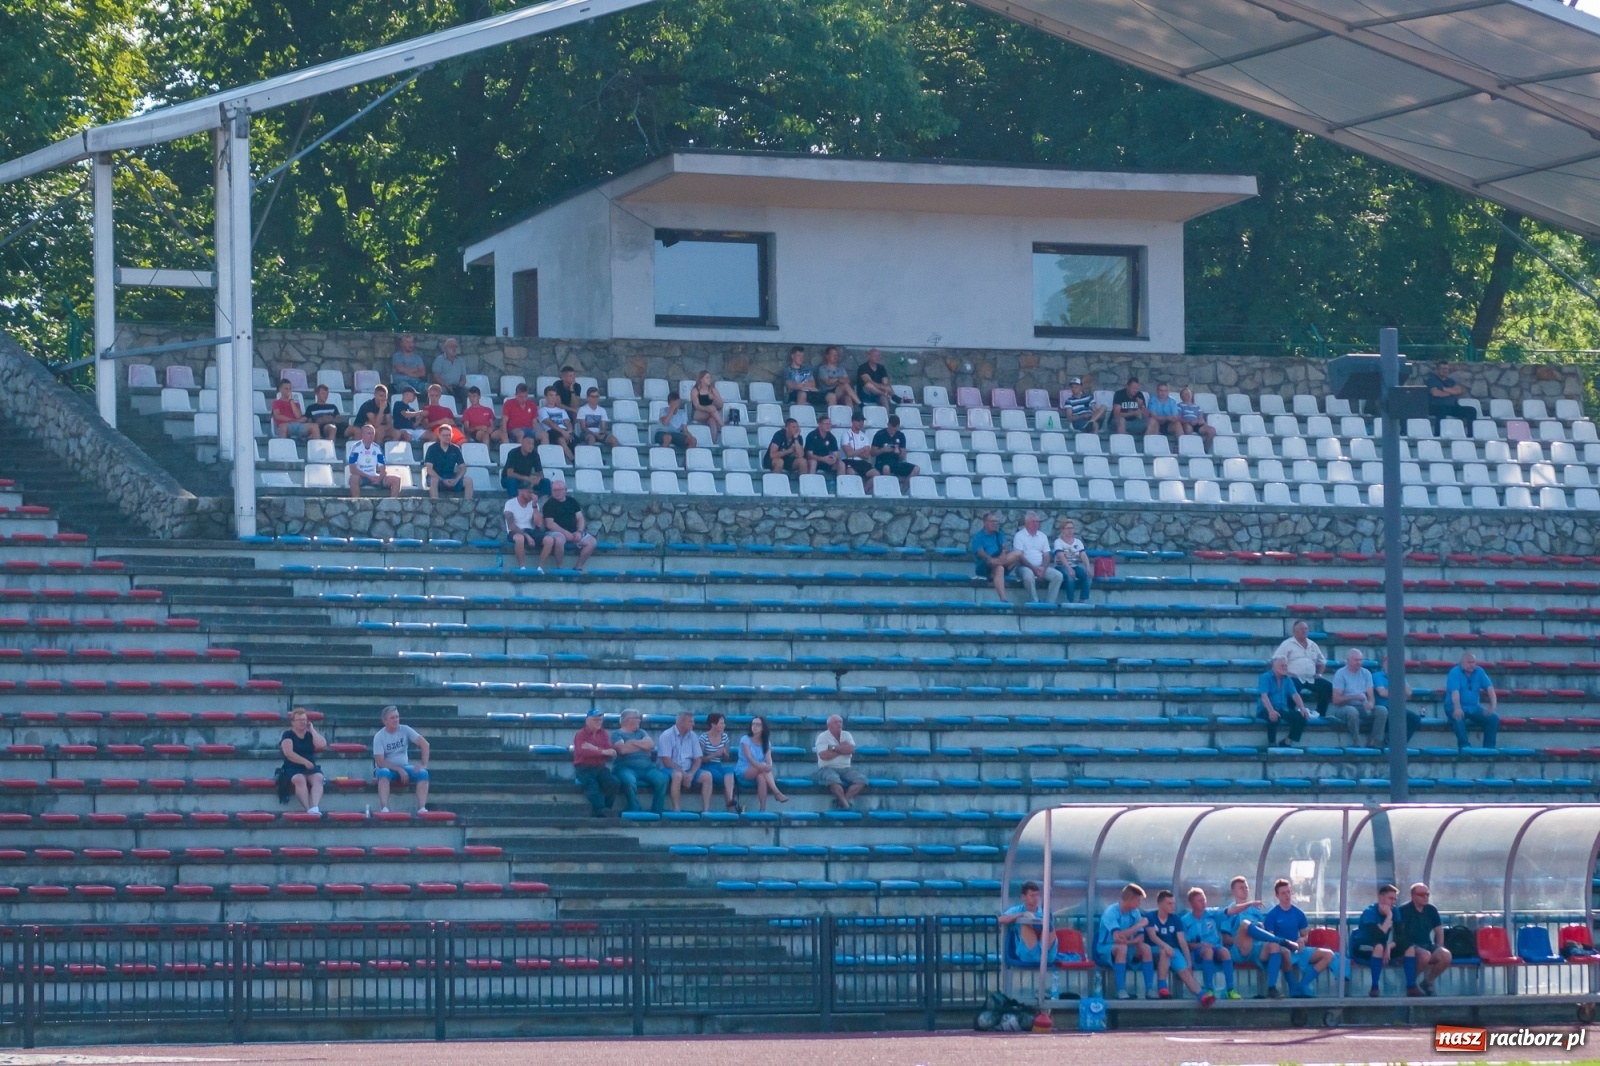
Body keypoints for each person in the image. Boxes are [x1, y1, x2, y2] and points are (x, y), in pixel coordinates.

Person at [1260, 877, 1335, 999]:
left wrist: (1302, 940)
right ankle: (1292, 988)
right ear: (1277, 896)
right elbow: (1270, 937)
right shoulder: (1272, 915)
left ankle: (1303, 984)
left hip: (1297, 948)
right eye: (1283, 893)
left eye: (1288, 892)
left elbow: (1305, 935)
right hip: (1282, 949)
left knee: (1329, 954)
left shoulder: (1298, 913)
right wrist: (1286, 945)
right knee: (1285, 953)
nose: (1287, 895)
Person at [1145, 889, 1215, 1005]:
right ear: (1160, 904)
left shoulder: (1175, 919)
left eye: (1173, 903)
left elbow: (1182, 941)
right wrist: (1166, 946)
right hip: (1155, 949)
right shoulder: (1150, 917)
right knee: (1164, 952)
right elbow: (1153, 937)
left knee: (1185, 971)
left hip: (1173, 950)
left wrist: (1188, 961)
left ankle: (1202, 996)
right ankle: (1162, 987)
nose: (1172, 906)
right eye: (1169, 903)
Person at [1216, 875, 1280, 998]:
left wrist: (1260, 928)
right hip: (1239, 950)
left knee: (1274, 946)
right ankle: (1280, 940)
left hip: (1256, 948)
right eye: (1241, 888)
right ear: (1233, 891)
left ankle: (1272, 988)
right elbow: (1226, 939)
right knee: (1245, 925)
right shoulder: (1229, 911)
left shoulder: (1255, 911)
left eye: (1246, 887)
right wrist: (1243, 937)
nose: (1245, 889)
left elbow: (1264, 931)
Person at [1095, 882, 1154, 1000]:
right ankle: (1120, 990)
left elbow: (1140, 938)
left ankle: (1149, 989)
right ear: (1130, 900)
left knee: (1145, 948)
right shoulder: (1111, 912)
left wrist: (1128, 942)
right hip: (1106, 947)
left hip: (1127, 945)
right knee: (1121, 948)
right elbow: (1118, 936)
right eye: (1138, 900)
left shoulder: (1135, 913)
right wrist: (1137, 926)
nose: (1139, 904)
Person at [1182, 887, 1240, 1000]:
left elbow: (1231, 910)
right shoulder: (1185, 920)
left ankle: (1230, 990)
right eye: (1199, 901)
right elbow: (1185, 944)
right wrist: (1201, 945)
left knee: (1225, 952)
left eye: (1204, 899)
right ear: (1191, 903)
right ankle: (1209, 989)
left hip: (1216, 947)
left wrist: (1250, 904)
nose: (1203, 903)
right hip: (1198, 952)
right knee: (1208, 952)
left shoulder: (1212, 914)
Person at [1396, 882, 1452, 995]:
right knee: (1425, 956)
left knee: (1446, 955)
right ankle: (1410, 984)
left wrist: (1439, 946)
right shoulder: (1404, 910)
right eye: (1421, 894)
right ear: (1413, 896)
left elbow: (1439, 931)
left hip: (1427, 944)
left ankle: (1427, 982)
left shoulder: (1431, 909)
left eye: (1427, 894)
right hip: (1409, 946)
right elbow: (1399, 934)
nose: (1425, 897)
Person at [372, 704, 430, 813]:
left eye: (397, 717)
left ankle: (422, 808)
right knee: (384, 773)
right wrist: (398, 769)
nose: (396, 720)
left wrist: (423, 764)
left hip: (405, 766)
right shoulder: (379, 736)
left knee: (423, 773)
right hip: (387, 768)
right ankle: (384, 807)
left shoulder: (405, 729)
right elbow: (380, 762)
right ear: (385, 721)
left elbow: (425, 744)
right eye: (392, 718)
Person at [609, 708, 668, 814]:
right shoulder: (616, 734)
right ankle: (634, 808)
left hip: (647, 768)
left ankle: (657, 811)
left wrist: (631, 742)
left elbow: (650, 745)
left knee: (662, 779)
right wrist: (642, 746)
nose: (639, 721)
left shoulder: (641, 732)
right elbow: (622, 750)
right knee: (629, 781)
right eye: (637, 718)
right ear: (627, 720)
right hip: (625, 767)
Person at [1274, 620, 1331, 717]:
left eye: (1306, 629)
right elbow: (1276, 661)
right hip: (1294, 677)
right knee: (1292, 685)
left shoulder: (1313, 645)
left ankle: (1320, 713)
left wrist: (1319, 674)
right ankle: (1290, 713)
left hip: (1311, 678)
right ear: (1294, 632)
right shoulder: (1287, 644)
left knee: (1327, 686)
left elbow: (1322, 661)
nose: (1304, 631)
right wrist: (1286, 673)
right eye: (1301, 629)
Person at [1330, 647, 1385, 746]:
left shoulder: (1366, 673)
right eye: (1356, 660)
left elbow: (1370, 695)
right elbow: (1336, 700)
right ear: (1348, 661)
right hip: (1343, 707)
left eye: (1360, 660)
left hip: (1362, 706)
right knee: (1352, 711)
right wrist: (1354, 697)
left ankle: (1374, 741)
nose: (1359, 662)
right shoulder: (1340, 674)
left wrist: (1371, 703)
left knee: (1382, 710)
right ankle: (1356, 741)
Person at [277, 707, 326, 814]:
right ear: (293, 722)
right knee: (299, 779)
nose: (302, 722)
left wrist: (312, 730)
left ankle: (315, 807)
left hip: (310, 767)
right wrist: (304, 762)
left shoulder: (309, 735)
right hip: (293, 766)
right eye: (299, 720)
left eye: (304, 720)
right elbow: (288, 753)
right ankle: (308, 808)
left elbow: (322, 744)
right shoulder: (288, 735)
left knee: (318, 778)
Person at [539, 479, 597, 571]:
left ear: (565, 490)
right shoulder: (549, 504)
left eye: (559, 490)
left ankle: (578, 566)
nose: (557, 492)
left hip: (574, 531)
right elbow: (550, 524)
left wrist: (579, 531)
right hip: (556, 531)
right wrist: (566, 533)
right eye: (554, 490)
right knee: (559, 540)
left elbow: (580, 518)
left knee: (592, 542)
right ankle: (559, 566)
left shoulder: (572, 501)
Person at [1351, 883, 1398, 997]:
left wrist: (1390, 946)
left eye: (1395, 899)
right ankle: (1374, 986)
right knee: (1378, 947)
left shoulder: (1395, 911)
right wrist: (1388, 917)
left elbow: (1401, 934)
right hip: (1362, 946)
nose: (1393, 902)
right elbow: (1377, 936)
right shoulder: (1370, 912)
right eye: (1390, 898)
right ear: (1381, 897)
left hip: (1383, 946)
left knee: (1409, 948)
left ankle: (1410, 986)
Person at [1446, 650, 1498, 749]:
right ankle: (1464, 746)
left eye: (1473, 662)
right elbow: (1455, 692)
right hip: (1454, 705)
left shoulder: (1479, 671)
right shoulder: (1454, 672)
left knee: (1493, 718)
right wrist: (1457, 708)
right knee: (1458, 717)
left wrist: (1492, 706)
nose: (1472, 665)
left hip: (1474, 707)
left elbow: (1490, 689)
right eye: (1469, 662)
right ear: (1462, 663)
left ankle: (1489, 748)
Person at [657, 710, 707, 813]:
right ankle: (676, 808)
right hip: (668, 769)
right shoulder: (666, 735)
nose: (693, 724)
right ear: (681, 722)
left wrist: (692, 773)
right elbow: (667, 761)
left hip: (689, 769)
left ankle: (706, 810)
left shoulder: (693, 736)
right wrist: (684, 774)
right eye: (690, 721)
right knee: (677, 775)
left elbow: (698, 759)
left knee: (707, 776)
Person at [814, 713, 867, 809]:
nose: (839, 724)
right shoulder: (822, 737)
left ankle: (843, 802)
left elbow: (851, 750)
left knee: (862, 780)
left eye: (840, 722)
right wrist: (842, 750)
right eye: (836, 722)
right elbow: (824, 755)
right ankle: (846, 805)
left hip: (846, 768)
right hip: (827, 767)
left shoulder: (847, 735)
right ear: (829, 725)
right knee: (833, 780)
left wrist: (833, 748)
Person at [572, 709, 619, 817]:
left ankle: (606, 808)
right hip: (583, 767)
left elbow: (611, 753)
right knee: (591, 786)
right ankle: (600, 809)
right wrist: (602, 751)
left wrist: (594, 749)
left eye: (600, 720)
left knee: (614, 782)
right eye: (596, 720)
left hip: (600, 767)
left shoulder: (604, 734)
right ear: (588, 721)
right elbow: (583, 752)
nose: (599, 722)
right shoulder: (580, 734)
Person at [1000, 881, 1059, 967]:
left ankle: (1047, 924)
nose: (1036, 898)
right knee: (1026, 923)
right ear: (1023, 897)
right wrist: (1022, 914)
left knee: (1049, 927)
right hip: (1029, 953)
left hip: (1047, 952)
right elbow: (1000, 919)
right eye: (1032, 895)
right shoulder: (1017, 910)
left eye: (1037, 895)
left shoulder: (1042, 911)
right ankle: (1035, 923)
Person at [736, 715, 788, 811]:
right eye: (753, 724)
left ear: (763, 727)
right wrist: (763, 766)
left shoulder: (766, 742)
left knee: (761, 777)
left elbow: (769, 758)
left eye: (758, 724)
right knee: (763, 767)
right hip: (744, 769)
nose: (755, 726)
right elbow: (749, 758)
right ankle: (777, 793)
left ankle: (762, 808)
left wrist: (770, 766)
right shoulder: (745, 739)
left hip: (760, 770)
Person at [694, 711, 739, 813]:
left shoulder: (724, 737)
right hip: (707, 766)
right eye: (721, 723)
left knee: (729, 771)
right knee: (724, 778)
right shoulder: (704, 738)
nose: (724, 725)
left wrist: (724, 753)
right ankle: (729, 804)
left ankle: (730, 799)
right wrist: (714, 754)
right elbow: (700, 759)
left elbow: (727, 757)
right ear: (713, 724)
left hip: (718, 764)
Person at [1013, 511, 1063, 604]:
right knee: (1028, 576)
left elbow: (1046, 555)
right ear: (1026, 522)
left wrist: (1043, 568)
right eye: (1033, 522)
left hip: (1041, 567)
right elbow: (1020, 557)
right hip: (1024, 567)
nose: (1036, 524)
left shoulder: (1042, 536)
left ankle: (1050, 603)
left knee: (1058, 576)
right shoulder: (1019, 536)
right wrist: (1034, 569)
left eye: (1038, 522)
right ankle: (1035, 600)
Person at [1257, 655, 1309, 746]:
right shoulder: (1266, 677)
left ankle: (1287, 741)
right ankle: (1271, 742)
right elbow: (1264, 696)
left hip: (1282, 708)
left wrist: (1302, 708)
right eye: (1282, 665)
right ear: (1274, 666)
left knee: (1301, 717)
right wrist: (1271, 711)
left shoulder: (1287, 679)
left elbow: (1295, 695)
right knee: (1274, 717)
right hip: (1266, 709)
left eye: (1286, 665)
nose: (1285, 668)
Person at [1372, 652, 1422, 745]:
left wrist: (1400, 679)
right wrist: (1399, 695)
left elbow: (1409, 692)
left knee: (1415, 719)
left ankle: (1400, 744)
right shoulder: (1377, 676)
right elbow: (1382, 693)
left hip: (1396, 708)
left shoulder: (1399, 676)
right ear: (1384, 663)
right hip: (1384, 707)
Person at [970, 512, 1020, 603]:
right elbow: (980, 552)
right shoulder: (978, 537)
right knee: (999, 568)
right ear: (985, 522)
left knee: (1018, 554)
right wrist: (990, 559)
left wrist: (1003, 554)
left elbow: (1005, 547)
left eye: (996, 521)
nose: (995, 524)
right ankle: (1003, 598)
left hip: (1000, 560)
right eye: (992, 521)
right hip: (985, 564)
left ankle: (997, 567)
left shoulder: (1000, 534)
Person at [347, 423, 402, 499]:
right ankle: (357, 504)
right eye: (369, 433)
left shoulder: (377, 448)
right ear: (363, 435)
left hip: (374, 476)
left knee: (396, 479)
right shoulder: (356, 447)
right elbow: (352, 469)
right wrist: (368, 476)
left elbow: (383, 468)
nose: (371, 436)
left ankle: (392, 504)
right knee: (353, 478)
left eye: (373, 433)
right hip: (362, 477)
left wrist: (379, 477)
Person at [870, 414, 919, 489]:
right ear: (888, 425)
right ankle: (890, 491)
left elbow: (902, 457)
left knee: (916, 469)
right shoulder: (880, 434)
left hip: (895, 462)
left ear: (898, 427)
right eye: (891, 429)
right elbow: (873, 453)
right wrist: (883, 450)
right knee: (886, 468)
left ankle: (903, 492)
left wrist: (899, 452)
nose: (893, 431)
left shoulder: (901, 436)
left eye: (895, 429)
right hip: (882, 461)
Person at [423, 428, 473, 500]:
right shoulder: (432, 448)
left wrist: (456, 479)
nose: (448, 437)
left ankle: (467, 507)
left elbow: (463, 468)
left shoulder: (455, 449)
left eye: (449, 435)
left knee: (468, 481)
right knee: (434, 481)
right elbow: (429, 469)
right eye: (445, 435)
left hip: (451, 476)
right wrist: (442, 480)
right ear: (439, 436)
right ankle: (435, 505)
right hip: (437, 476)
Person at [1052, 517, 1092, 604]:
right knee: (1070, 576)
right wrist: (1069, 569)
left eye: (1072, 528)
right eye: (1068, 528)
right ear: (1062, 530)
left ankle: (1082, 600)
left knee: (1087, 576)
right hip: (1061, 566)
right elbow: (1061, 556)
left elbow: (1083, 555)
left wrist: (1088, 568)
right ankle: (1071, 600)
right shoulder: (1058, 542)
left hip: (1075, 565)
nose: (1070, 530)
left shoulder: (1078, 542)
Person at [503, 484, 543, 570]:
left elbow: (538, 524)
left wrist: (535, 506)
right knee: (519, 538)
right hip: (515, 531)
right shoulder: (510, 504)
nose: (531, 494)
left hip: (530, 530)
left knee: (549, 540)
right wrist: (527, 536)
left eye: (532, 492)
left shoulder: (533, 504)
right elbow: (511, 526)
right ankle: (522, 567)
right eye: (529, 492)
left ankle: (540, 567)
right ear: (520, 491)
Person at [1424, 362, 1475, 429]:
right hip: (1437, 406)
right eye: (1443, 369)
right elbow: (1435, 393)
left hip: (1452, 407)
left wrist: (1443, 389)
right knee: (1442, 410)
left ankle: (1470, 435)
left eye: (1447, 369)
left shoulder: (1451, 381)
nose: (1445, 371)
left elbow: (1458, 391)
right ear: (1437, 370)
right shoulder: (1432, 380)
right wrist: (1451, 391)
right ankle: (1438, 435)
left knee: (1471, 410)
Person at [500, 434, 549, 499]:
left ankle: (544, 503)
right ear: (522, 443)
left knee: (546, 482)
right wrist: (527, 478)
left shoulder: (535, 454)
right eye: (528, 443)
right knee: (512, 481)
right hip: (509, 480)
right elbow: (510, 474)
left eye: (532, 443)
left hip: (527, 481)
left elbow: (540, 473)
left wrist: (538, 479)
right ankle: (514, 503)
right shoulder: (513, 453)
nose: (531, 446)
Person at [839, 412, 877, 488]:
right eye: (859, 421)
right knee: (851, 472)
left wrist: (854, 451)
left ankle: (863, 491)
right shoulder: (846, 435)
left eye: (862, 421)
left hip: (861, 462)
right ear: (853, 422)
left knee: (876, 475)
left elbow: (866, 455)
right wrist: (861, 450)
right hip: (849, 460)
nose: (861, 423)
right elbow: (848, 454)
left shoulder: (864, 436)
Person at [430, 337, 469, 410]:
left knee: (469, 392)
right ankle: (443, 413)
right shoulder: (439, 360)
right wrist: (447, 386)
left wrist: (460, 386)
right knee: (441, 391)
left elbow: (463, 378)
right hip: (443, 386)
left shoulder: (461, 361)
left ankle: (464, 415)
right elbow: (436, 377)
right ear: (445, 348)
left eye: (455, 346)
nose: (454, 348)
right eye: (451, 346)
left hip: (456, 386)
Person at [538, 385, 574, 460]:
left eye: (555, 395)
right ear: (546, 397)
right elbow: (550, 423)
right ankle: (574, 460)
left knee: (576, 441)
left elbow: (567, 422)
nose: (553, 398)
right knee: (561, 440)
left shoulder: (561, 410)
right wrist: (563, 432)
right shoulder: (542, 411)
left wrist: (569, 431)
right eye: (551, 395)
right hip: (552, 431)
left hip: (564, 431)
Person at [689, 371, 724, 437]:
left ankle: (713, 443)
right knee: (712, 408)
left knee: (712, 420)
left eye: (710, 377)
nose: (709, 379)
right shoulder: (695, 390)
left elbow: (721, 404)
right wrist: (708, 408)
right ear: (701, 379)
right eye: (707, 378)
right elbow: (697, 405)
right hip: (699, 413)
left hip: (711, 413)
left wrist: (713, 398)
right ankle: (723, 426)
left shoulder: (713, 390)